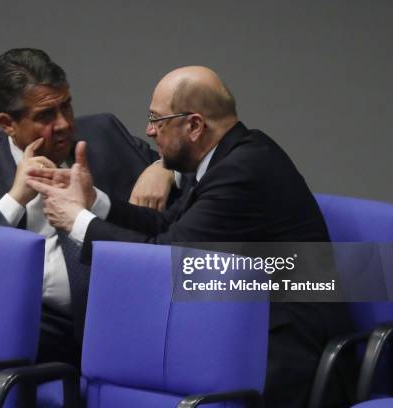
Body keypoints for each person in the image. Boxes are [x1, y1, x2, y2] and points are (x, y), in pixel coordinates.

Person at [27, 66, 356, 407]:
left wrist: (77, 222)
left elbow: (167, 258)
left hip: (291, 348)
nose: (149, 130)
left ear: (194, 125)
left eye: (157, 119)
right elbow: (170, 226)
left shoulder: (244, 170)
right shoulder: (229, 157)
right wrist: (96, 202)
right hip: (236, 322)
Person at [0, 48, 176, 366]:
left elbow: (191, 179)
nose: (63, 124)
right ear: (8, 124)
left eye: (66, 106)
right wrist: (15, 198)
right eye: (46, 115)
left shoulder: (105, 134)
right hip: (33, 333)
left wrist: (164, 168)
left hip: (127, 318)